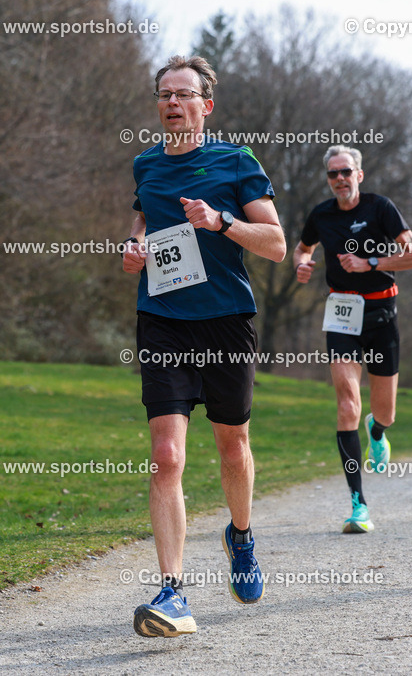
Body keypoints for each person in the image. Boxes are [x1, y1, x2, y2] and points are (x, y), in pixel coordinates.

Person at [121, 55, 286, 637]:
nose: (172, 103)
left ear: (205, 105)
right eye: (164, 94)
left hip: (225, 321)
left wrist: (221, 222)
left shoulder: (236, 162)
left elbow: (276, 244)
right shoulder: (146, 164)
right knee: (166, 456)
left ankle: (240, 536)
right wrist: (134, 246)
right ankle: (173, 593)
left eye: (183, 94)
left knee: (232, 445)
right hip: (163, 320)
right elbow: (143, 219)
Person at [293, 145, 412, 534]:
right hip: (342, 313)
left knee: (385, 413)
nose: (339, 179)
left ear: (359, 175)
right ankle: (358, 503)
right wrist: (302, 265)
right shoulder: (321, 214)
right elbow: (302, 249)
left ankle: (377, 431)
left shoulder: (380, 208)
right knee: (347, 404)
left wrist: (371, 263)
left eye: (345, 172)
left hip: (382, 314)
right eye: (332, 174)